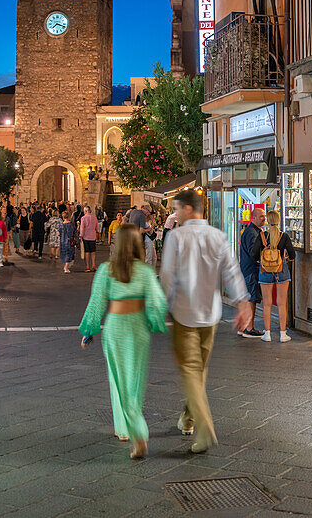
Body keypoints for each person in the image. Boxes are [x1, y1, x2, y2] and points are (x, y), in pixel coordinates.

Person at [160, 189, 252, 454]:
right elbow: (232, 272)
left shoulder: (176, 237)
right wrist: (242, 301)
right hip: (210, 315)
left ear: (189, 209)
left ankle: (204, 426)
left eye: (177, 208)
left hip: (184, 314)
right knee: (199, 370)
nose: (175, 213)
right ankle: (188, 418)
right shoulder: (218, 236)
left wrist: (160, 307)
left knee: (190, 370)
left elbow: (167, 277)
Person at [79, 224, 168, 459]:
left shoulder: (106, 270)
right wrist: (155, 322)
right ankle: (133, 427)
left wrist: (89, 331)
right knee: (135, 381)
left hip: (115, 327)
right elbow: (158, 303)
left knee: (117, 380)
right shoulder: (146, 272)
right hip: (138, 328)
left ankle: (127, 430)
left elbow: (96, 303)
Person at [259, 210, 294, 342]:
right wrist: (286, 258)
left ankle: (267, 334)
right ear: (278, 220)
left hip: (265, 272)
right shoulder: (283, 236)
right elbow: (292, 254)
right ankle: (282, 334)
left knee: (267, 304)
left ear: (268, 221)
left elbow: (253, 253)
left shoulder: (262, 236)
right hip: (281, 271)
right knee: (281, 303)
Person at [237, 208, 265, 338]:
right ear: (253, 218)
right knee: (251, 298)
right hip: (251, 269)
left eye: (264, 216)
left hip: (248, 268)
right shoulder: (253, 233)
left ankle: (243, 327)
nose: (263, 218)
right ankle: (249, 328)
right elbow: (254, 252)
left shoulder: (252, 231)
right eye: (261, 216)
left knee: (249, 297)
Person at [80, 205, 99, 272]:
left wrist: (81, 236)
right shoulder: (94, 218)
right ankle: (93, 264)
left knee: (87, 252)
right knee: (93, 252)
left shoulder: (83, 218)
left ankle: (87, 267)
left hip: (86, 237)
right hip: (93, 236)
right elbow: (97, 228)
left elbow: (82, 228)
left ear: (85, 211)